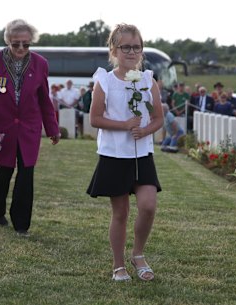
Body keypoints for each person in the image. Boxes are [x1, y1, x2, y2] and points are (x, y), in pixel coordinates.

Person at [86, 23, 164, 282]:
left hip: (142, 155)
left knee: (148, 205)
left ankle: (138, 254)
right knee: (120, 212)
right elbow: (95, 119)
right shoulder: (104, 81)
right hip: (114, 155)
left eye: (137, 47)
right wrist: (123, 126)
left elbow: (157, 118)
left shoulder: (147, 80)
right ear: (114, 50)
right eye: (126, 47)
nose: (132, 52)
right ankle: (118, 264)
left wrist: (145, 130)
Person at [0, 19, 60, 236]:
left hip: (28, 129)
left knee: (26, 174)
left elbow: (44, 99)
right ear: (8, 42)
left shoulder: (40, 63)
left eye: (26, 44)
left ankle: (22, 223)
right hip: (1, 129)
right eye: (16, 44)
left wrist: (52, 128)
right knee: (3, 173)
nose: (21, 48)